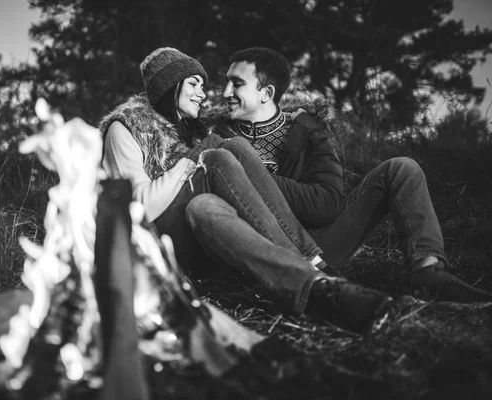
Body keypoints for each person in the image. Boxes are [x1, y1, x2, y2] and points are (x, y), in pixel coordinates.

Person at [100, 47, 393, 334]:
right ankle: (311, 263)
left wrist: (298, 116)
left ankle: (310, 284)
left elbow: (252, 108)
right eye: (193, 84)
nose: (204, 93)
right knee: (219, 156)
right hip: (155, 244)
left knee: (206, 202)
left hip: (198, 237)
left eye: (203, 85)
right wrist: (192, 160)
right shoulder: (127, 127)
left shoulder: (193, 126)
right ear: (168, 86)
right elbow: (135, 208)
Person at [207, 46, 492, 303]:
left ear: (266, 93)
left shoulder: (308, 132)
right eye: (227, 82)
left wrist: (254, 175)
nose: (225, 93)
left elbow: (326, 205)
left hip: (321, 244)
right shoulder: (215, 136)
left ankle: (428, 274)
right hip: (252, 249)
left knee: (402, 168)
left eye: (237, 84)